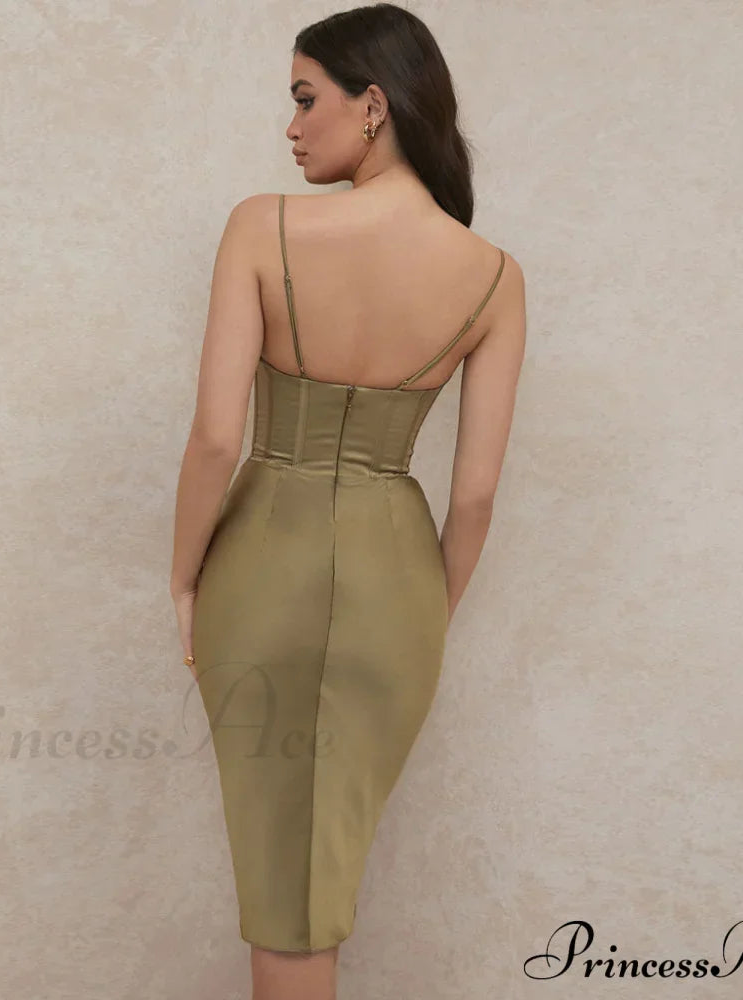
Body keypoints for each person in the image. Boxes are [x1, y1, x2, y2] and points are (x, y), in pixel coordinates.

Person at [170, 4, 526, 998]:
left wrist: (182, 578)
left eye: (304, 99)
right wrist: (426, 616)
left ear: (372, 104)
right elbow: (475, 495)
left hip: (261, 567)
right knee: (314, 873)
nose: (290, 127)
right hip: (397, 592)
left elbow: (215, 438)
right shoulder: (494, 278)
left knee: (285, 882)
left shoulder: (262, 225)